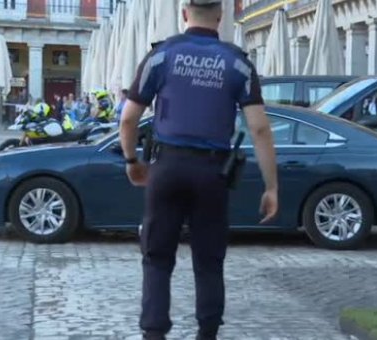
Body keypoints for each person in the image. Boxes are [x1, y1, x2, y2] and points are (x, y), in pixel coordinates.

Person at [118, 1, 278, 339]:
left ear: (184, 13)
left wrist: (133, 162)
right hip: (212, 172)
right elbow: (260, 129)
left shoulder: (161, 56)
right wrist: (271, 186)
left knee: (157, 257)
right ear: (221, 17)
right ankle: (207, 333)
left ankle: (154, 332)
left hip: (168, 165)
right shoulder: (238, 63)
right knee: (209, 260)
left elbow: (129, 118)